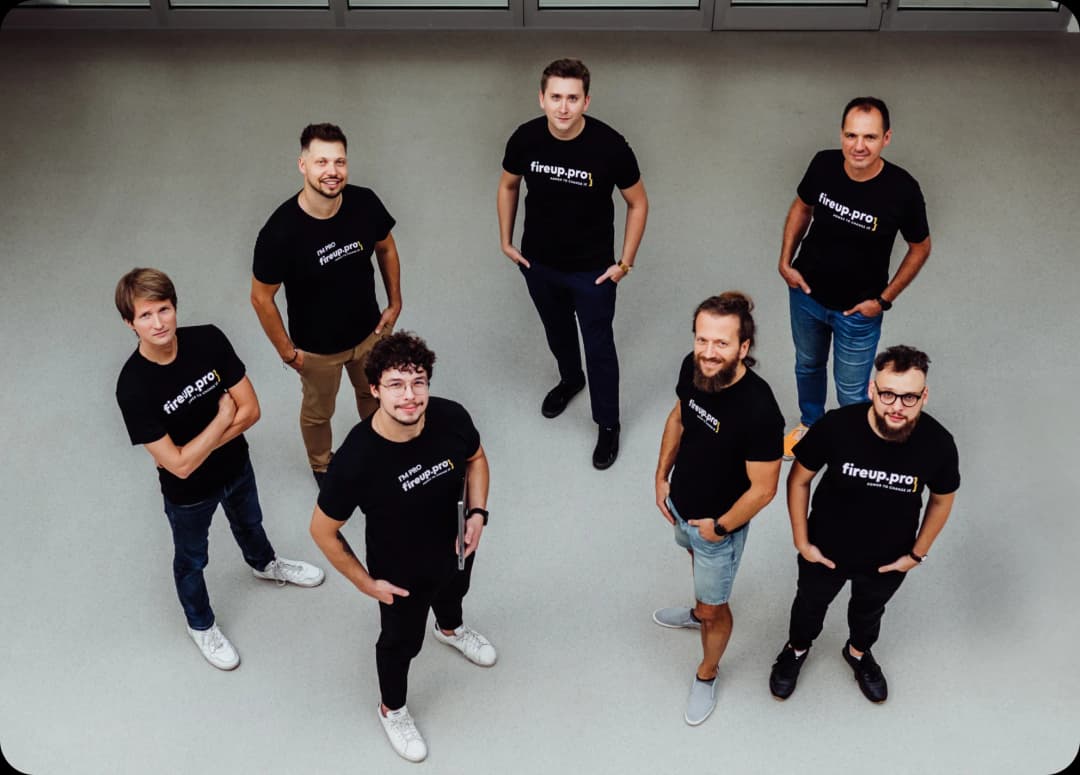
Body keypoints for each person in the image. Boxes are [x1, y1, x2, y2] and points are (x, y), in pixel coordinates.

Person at [114, 268, 325, 671]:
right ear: (130, 322)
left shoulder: (208, 339)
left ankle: (265, 565)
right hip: (188, 495)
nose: (158, 322)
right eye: (145, 315)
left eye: (164, 309)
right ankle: (200, 624)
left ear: (175, 308)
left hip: (237, 467)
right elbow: (177, 467)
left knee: (251, 524)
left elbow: (252, 411)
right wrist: (220, 418)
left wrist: (195, 448)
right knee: (191, 560)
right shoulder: (133, 386)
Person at [309, 332, 494, 763]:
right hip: (399, 574)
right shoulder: (355, 459)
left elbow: (477, 458)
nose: (410, 397)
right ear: (374, 389)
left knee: (454, 597)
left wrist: (478, 515)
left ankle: (450, 630)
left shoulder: (451, 417)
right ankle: (392, 709)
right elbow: (322, 530)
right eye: (395, 384)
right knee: (399, 644)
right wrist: (366, 584)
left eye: (418, 382)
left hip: (456, 548)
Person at [768, 345, 959, 704]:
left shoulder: (938, 444)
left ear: (924, 395)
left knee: (869, 611)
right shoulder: (837, 427)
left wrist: (917, 554)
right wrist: (801, 541)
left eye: (909, 397)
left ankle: (858, 653)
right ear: (872, 389)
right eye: (887, 394)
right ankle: (796, 650)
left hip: (889, 557)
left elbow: (942, 499)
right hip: (824, 549)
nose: (897, 406)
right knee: (809, 605)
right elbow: (798, 480)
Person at [497, 58, 649, 470]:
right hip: (539, 262)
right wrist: (506, 242)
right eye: (556, 97)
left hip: (592, 270)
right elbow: (509, 184)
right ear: (542, 98)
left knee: (598, 346)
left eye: (573, 98)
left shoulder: (610, 146)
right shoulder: (525, 139)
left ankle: (608, 423)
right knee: (557, 329)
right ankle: (570, 379)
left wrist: (625, 263)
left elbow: (637, 202)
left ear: (586, 100)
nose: (563, 108)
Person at [651, 293, 784, 725]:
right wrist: (661, 477)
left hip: (716, 527)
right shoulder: (693, 370)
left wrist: (720, 528)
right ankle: (698, 610)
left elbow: (764, 490)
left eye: (721, 344)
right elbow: (677, 418)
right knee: (693, 563)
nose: (709, 353)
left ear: (744, 347)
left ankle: (707, 672)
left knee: (716, 608)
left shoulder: (760, 409)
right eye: (702, 340)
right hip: (682, 507)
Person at [778, 97, 931, 459]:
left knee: (851, 392)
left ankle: (850, 445)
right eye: (851, 135)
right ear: (841, 134)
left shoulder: (903, 190)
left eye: (870, 137)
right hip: (807, 295)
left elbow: (920, 247)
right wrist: (785, 262)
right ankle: (811, 426)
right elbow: (802, 206)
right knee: (807, 365)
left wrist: (883, 301)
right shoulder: (823, 164)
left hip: (858, 312)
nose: (859, 146)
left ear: (886, 138)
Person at [251, 122, 403, 486]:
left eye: (339, 162)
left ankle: (378, 446)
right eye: (321, 162)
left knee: (373, 394)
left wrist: (395, 303)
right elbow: (261, 297)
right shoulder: (279, 232)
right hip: (317, 350)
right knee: (319, 413)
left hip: (370, 332)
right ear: (303, 165)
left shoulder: (364, 203)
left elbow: (386, 247)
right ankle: (322, 464)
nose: (332, 172)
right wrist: (287, 352)